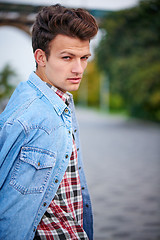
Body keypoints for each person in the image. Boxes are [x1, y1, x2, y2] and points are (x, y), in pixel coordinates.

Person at [0, 4, 98, 240]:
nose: (79, 69)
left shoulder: (59, 101)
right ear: (40, 57)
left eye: (84, 58)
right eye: (67, 57)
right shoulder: (28, 116)